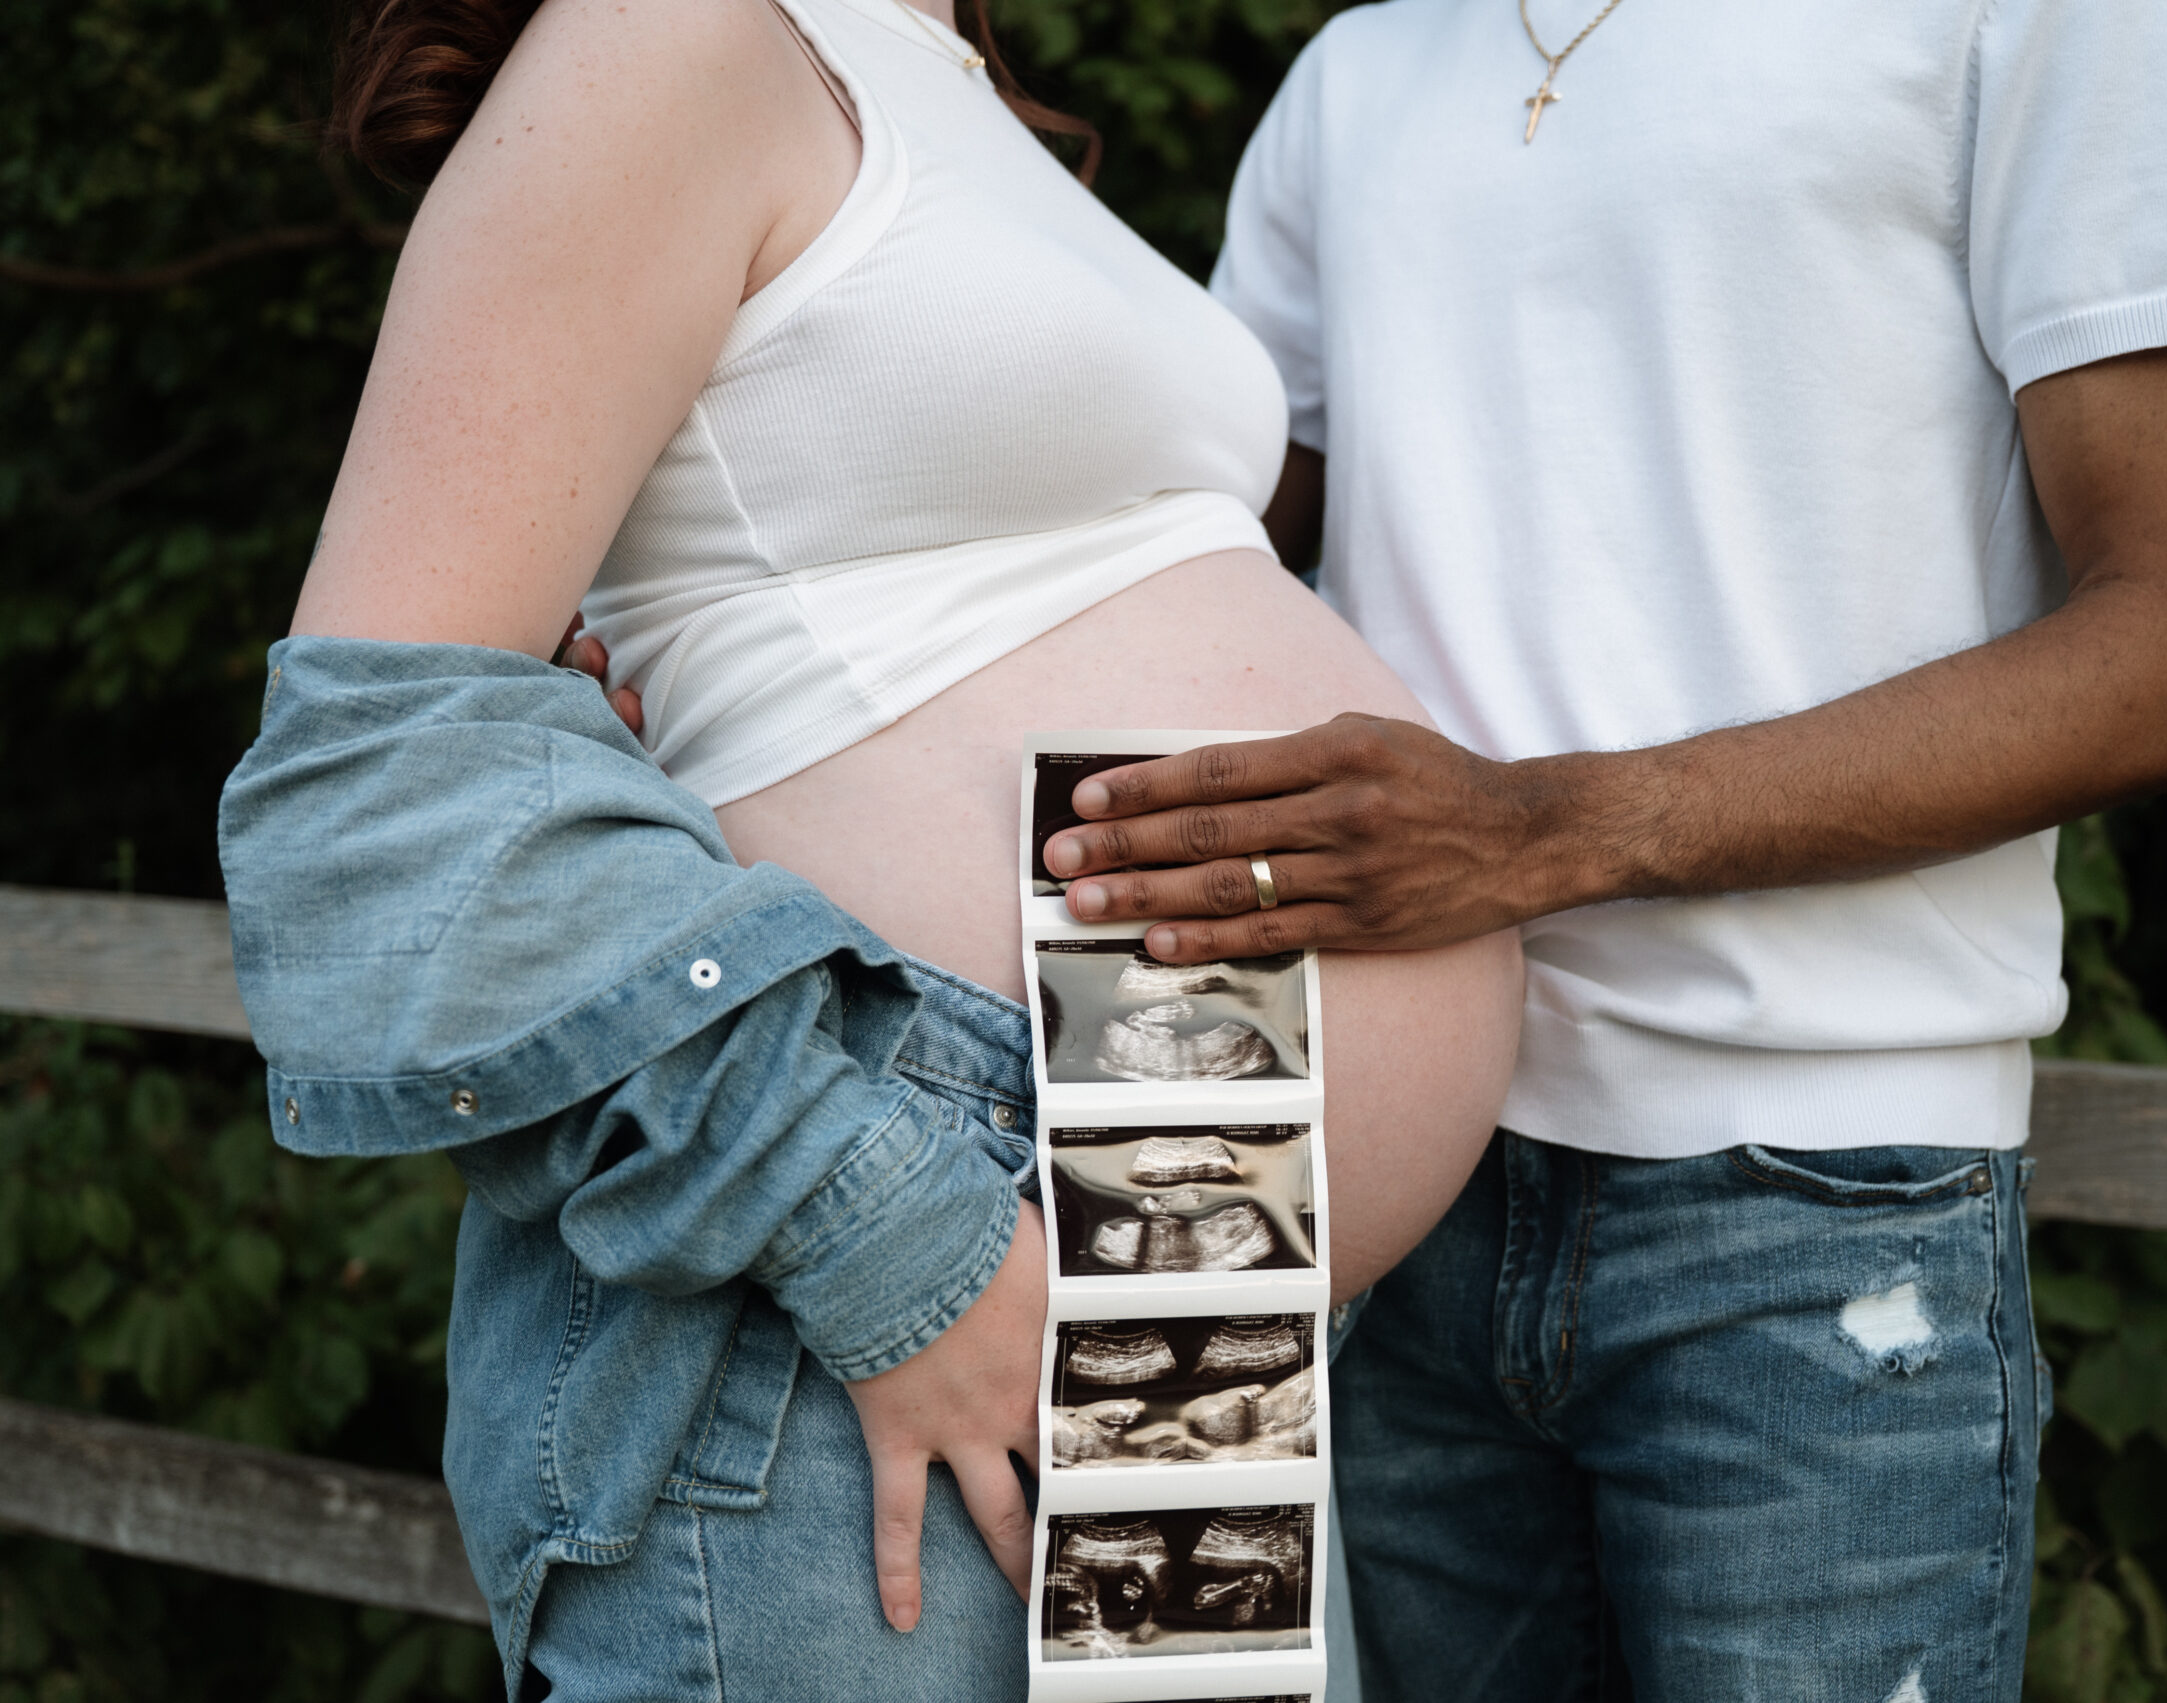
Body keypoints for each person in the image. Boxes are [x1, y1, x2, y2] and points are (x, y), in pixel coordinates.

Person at [224, 0, 1519, 1695]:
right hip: (914, 1209)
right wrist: (891, 1240)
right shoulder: (668, 35)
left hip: (1195, 1186)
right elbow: (377, 787)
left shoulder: (933, 72)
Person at [1034, 0, 2167, 1695]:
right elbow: (1162, 560)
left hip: (1818, 1203)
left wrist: (1543, 833)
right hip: (1391, 1182)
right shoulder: (1367, 63)